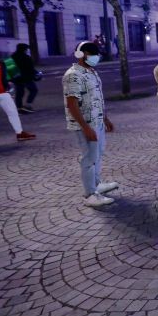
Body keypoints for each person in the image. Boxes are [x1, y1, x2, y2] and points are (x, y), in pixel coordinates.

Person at [62, 42, 117, 207]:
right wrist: (86, 128)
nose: (95, 57)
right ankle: (89, 194)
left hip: (98, 121)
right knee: (89, 158)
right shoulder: (73, 75)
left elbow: (97, 99)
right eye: (91, 53)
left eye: (96, 53)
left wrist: (105, 119)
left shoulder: (91, 72)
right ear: (81, 54)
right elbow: (72, 104)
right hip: (85, 125)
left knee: (98, 155)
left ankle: (97, 184)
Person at [0, 43, 37, 149]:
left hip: (3, 92)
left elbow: (5, 75)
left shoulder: (0, 62)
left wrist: (7, 85)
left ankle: (20, 133)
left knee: (13, 113)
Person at [11, 43, 39, 113]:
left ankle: (19, 107)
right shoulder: (26, 57)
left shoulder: (12, 57)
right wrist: (35, 74)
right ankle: (28, 105)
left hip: (17, 78)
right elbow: (30, 68)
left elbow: (10, 68)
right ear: (24, 49)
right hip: (26, 77)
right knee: (33, 90)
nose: (27, 50)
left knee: (20, 93)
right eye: (26, 49)